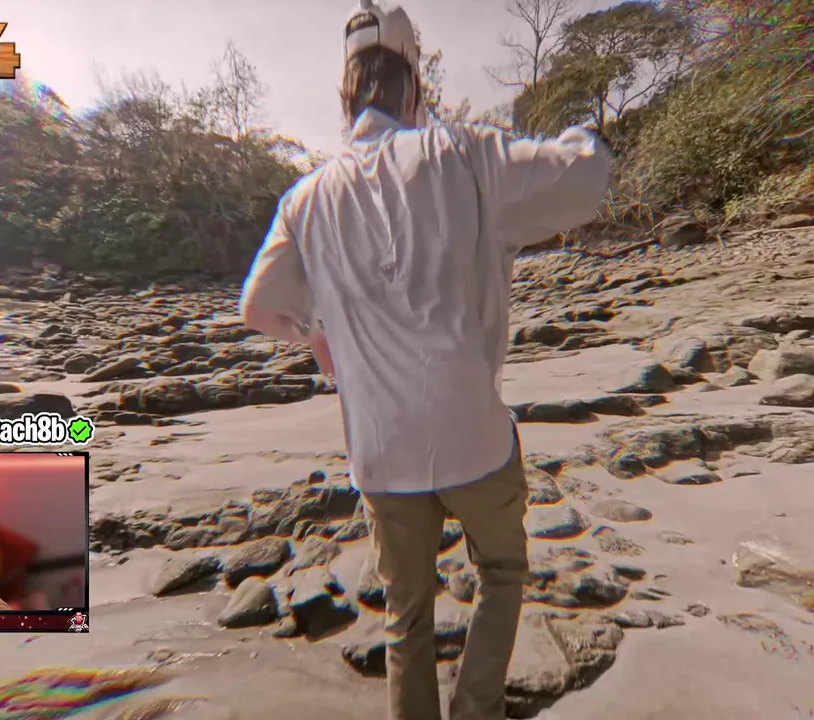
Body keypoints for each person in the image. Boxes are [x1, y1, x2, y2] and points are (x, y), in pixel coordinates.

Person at [238, 2, 611, 718]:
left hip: (382, 451)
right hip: (472, 431)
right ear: (413, 87)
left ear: (346, 98)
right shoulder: (463, 155)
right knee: (501, 571)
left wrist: (314, 332)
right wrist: (588, 135)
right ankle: (477, 709)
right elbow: (584, 176)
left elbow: (256, 306)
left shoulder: (304, 200)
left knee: (405, 616)